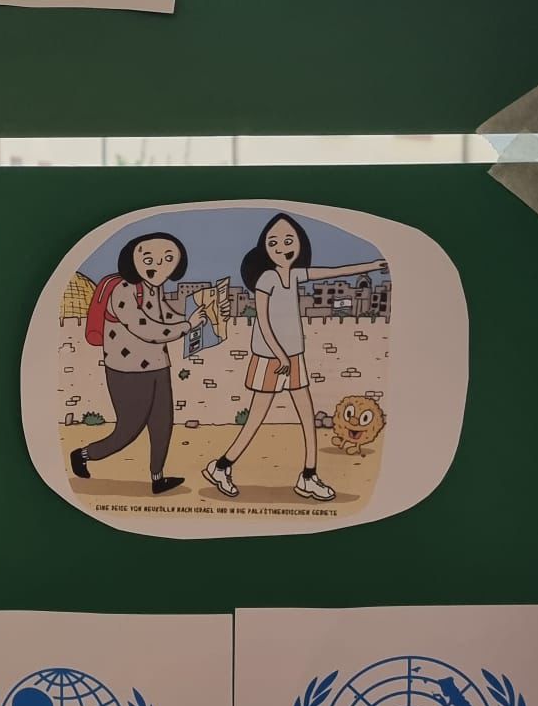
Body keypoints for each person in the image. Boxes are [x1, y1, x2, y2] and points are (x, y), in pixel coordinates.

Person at [202, 213, 384, 503]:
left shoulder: (296, 275)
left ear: (300, 244)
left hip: (293, 357)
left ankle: (308, 475)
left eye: (289, 240)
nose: (281, 247)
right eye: (273, 242)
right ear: (265, 247)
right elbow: (263, 321)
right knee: (257, 417)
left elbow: (332, 272)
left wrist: (372, 266)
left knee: (306, 414)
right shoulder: (267, 278)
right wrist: (280, 355)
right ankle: (222, 466)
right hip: (271, 358)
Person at [71, 231, 200, 494]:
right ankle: (83, 454)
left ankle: (157, 478)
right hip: (127, 370)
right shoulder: (124, 290)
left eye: (168, 259)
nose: (158, 265)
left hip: (158, 365)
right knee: (128, 430)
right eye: (149, 259)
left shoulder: (154, 288)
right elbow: (146, 328)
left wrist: (195, 317)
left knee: (162, 423)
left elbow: (164, 315)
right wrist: (187, 326)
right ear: (132, 258)